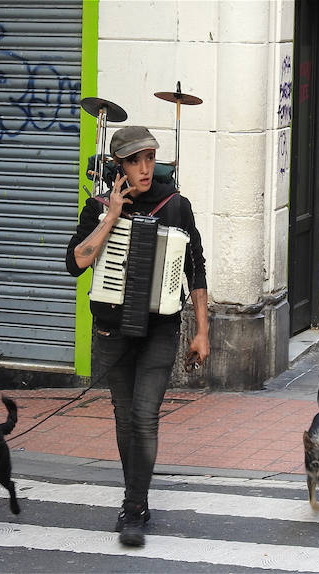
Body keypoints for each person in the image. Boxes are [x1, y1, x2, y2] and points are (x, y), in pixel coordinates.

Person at [65, 126, 210, 547]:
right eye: (135, 160)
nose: (145, 168)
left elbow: (195, 269)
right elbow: (76, 263)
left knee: (145, 417)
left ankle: (133, 507)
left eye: (149, 158)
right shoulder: (96, 208)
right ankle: (138, 498)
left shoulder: (175, 206)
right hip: (112, 329)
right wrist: (110, 216)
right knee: (124, 417)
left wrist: (202, 331)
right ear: (118, 166)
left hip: (160, 329)